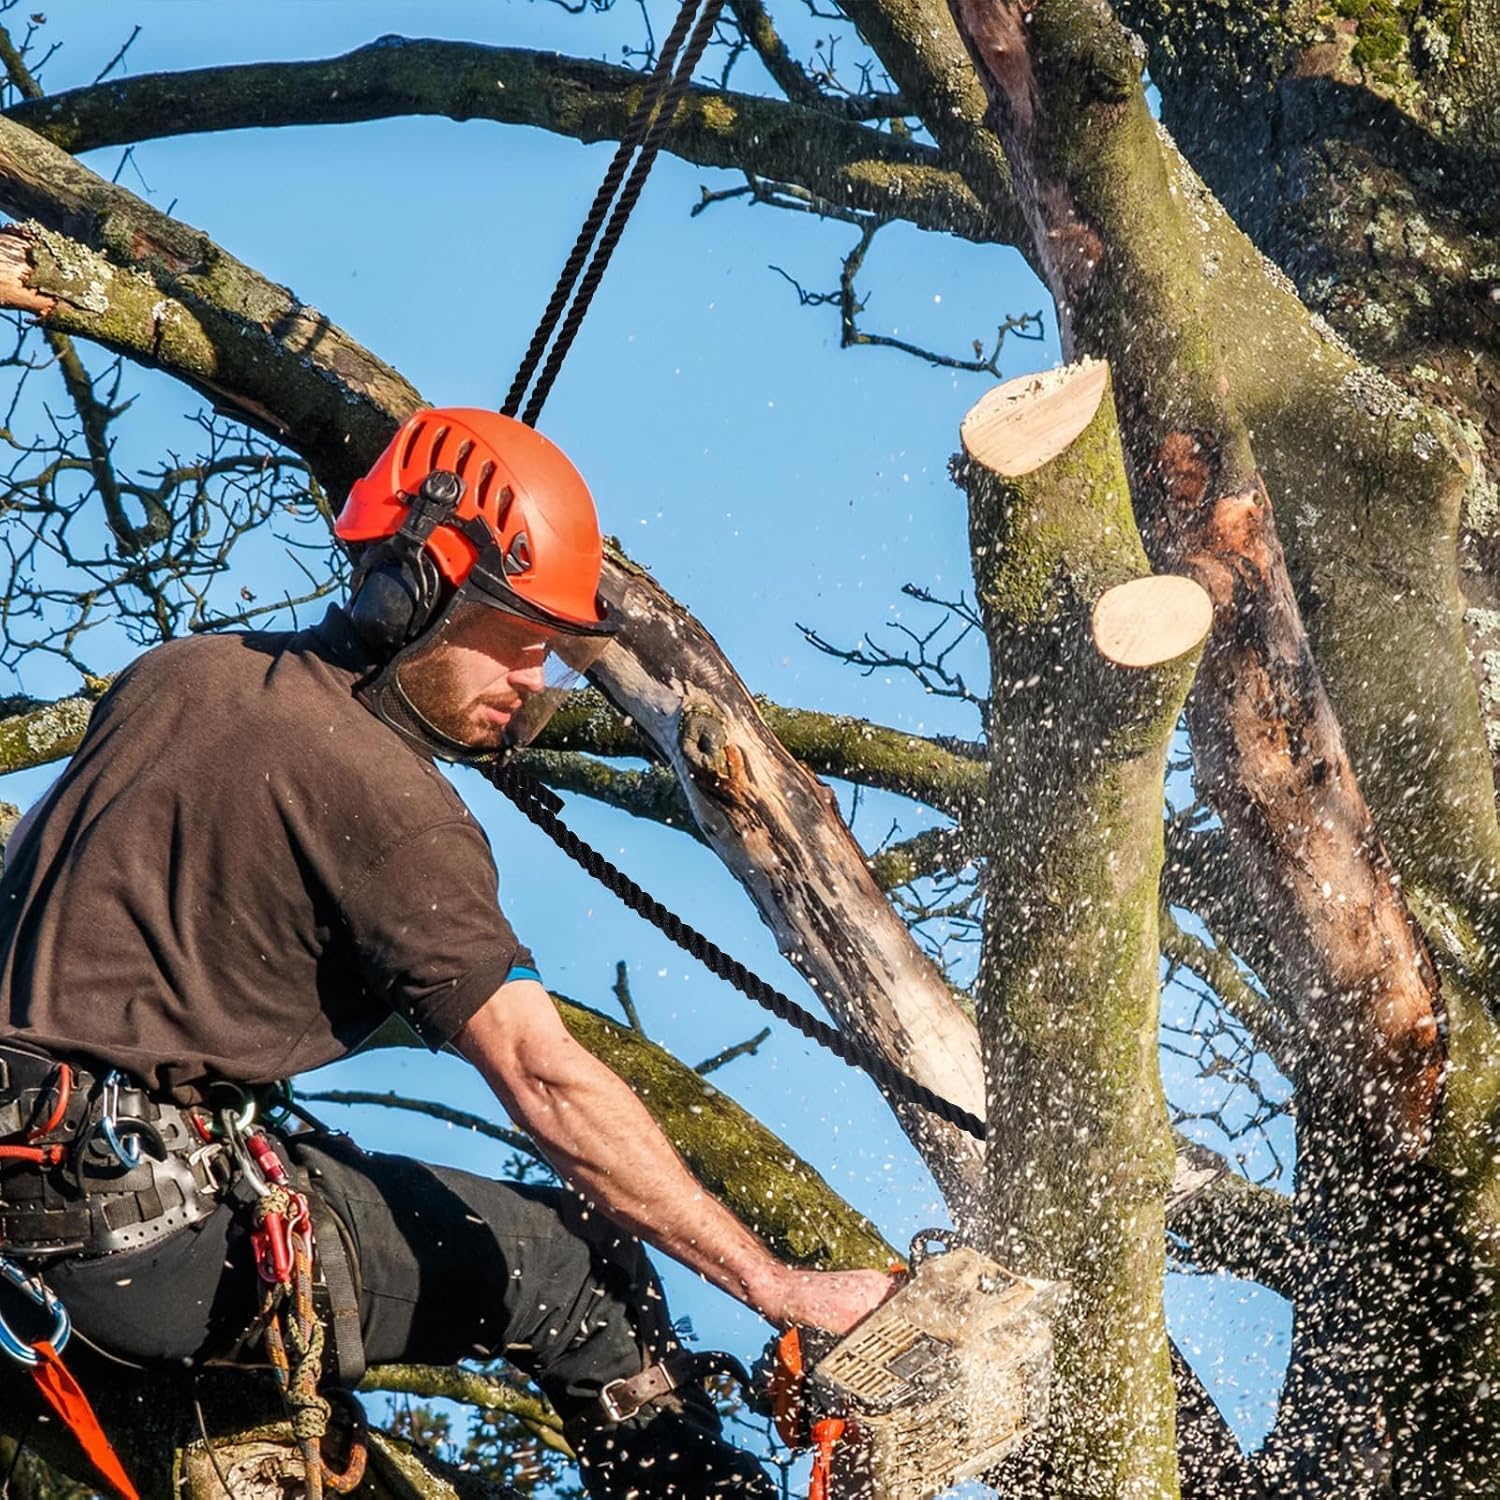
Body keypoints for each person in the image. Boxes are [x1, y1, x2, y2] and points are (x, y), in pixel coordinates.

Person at [0, 408, 891, 1497]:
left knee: (319, 1417)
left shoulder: (180, 674)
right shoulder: (394, 811)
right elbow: (544, 1077)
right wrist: (777, 1286)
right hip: (130, 1243)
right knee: (578, 1273)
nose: (532, 682)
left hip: (43, 1227)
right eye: (514, 642)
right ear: (411, 590)